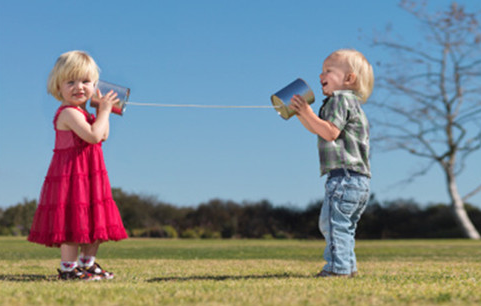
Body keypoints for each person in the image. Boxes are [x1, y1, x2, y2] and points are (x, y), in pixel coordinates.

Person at [28, 50, 128, 281]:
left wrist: (103, 113)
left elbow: (102, 135)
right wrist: (102, 112)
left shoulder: (86, 113)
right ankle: (68, 268)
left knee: (94, 219)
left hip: (91, 174)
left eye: (85, 82)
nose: (79, 87)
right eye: (70, 82)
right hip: (72, 175)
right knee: (72, 221)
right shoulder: (69, 113)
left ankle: (87, 264)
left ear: (95, 85)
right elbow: (93, 136)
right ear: (58, 86)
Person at [289, 49, 374, 277]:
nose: (320, 75)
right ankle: (348, 267)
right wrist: (303, 115)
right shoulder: (350, 103)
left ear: (349, 79)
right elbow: (319, 128)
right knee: (342, 224)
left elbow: (329, 133)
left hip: (344, 178)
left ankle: (338, 269)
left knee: (333, 224)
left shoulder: (339, 100)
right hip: (358, 180)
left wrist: (307, 111)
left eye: (328, 70)